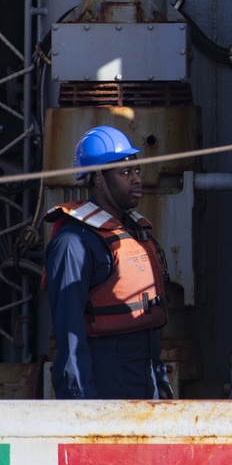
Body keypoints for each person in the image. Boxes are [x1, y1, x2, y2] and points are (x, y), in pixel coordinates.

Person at [44, 126, 171, 399]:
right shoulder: (73, 241)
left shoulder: (135, 231)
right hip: (104, 389)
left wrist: (160, 384)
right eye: (125, 173)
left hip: (144, 384)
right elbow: (70, 335)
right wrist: (82, 408)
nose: (136, 179)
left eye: (136, 170)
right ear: (98, 179)